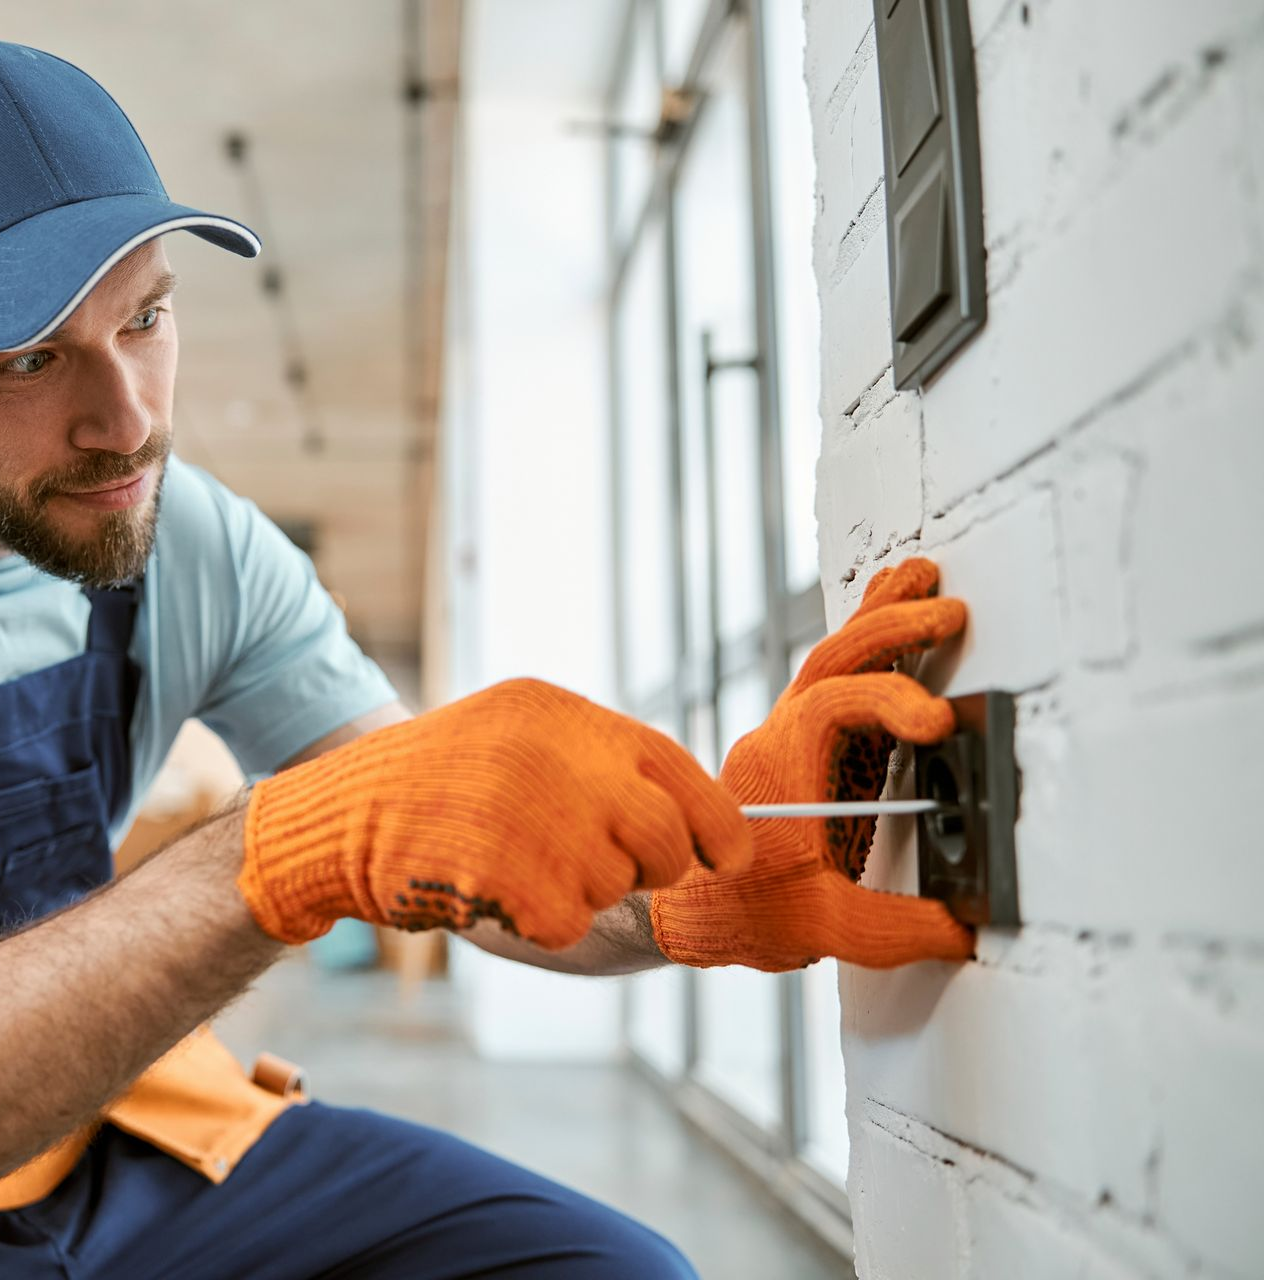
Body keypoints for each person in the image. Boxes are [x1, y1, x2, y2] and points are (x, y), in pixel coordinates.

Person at [0, 40, 973, 1279]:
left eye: (145, 315)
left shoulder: (182, 541)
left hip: (106, 1148)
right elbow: (320, 838)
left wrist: (690, 883)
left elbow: (439, 839)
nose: (128, 419)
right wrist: (272, 854)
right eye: (32, 357)